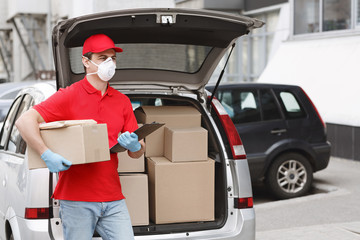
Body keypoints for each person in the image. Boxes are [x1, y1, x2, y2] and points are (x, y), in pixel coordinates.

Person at [15, 33, 145, 240]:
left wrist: (136, 147)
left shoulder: (122, 101)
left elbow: (138, 152)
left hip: (113, 199)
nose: (109, 63)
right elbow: (24, 121)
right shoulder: (69, 95)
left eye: (113, 58)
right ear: (86, 61)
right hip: (76, 199)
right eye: (103, 58)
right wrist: (46, 153)